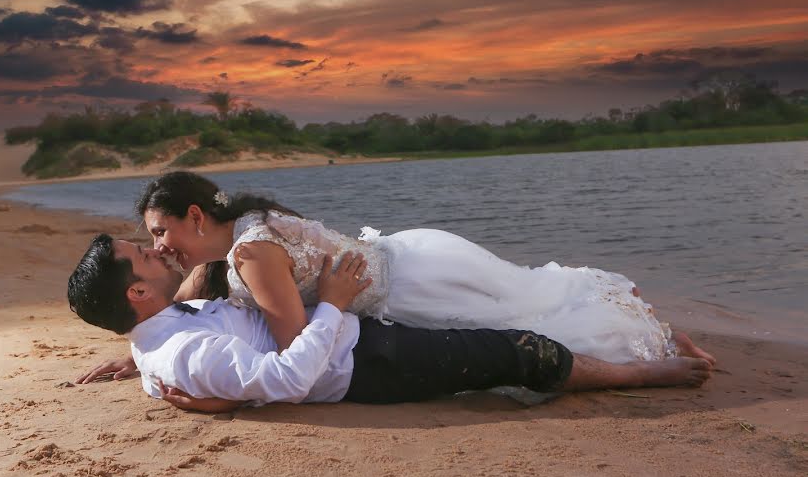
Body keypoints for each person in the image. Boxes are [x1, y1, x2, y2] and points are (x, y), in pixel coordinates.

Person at [129, 171, 714, 370]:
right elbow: (203, 297)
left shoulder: (250, 254)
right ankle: (658, 329)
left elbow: (292, 346)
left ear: (197, 216)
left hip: (416, 289)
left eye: (161, 232)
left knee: (532, 320)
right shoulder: (249, 224)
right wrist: (148, 346)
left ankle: (657, 342)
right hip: (418, 252)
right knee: (538, 294)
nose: (160, 246)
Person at [67, 234, 713, 412]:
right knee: (515, 353)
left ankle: (635, 343)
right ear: (136, 292)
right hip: (363, 365)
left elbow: (205, 367)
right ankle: (641, 375)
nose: (156, 252)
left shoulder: (165, 333)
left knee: (490, 321)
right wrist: (335, 303)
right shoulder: (176, 354)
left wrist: (141, 368)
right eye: (145, 255)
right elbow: (287, 379)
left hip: (354, 341)